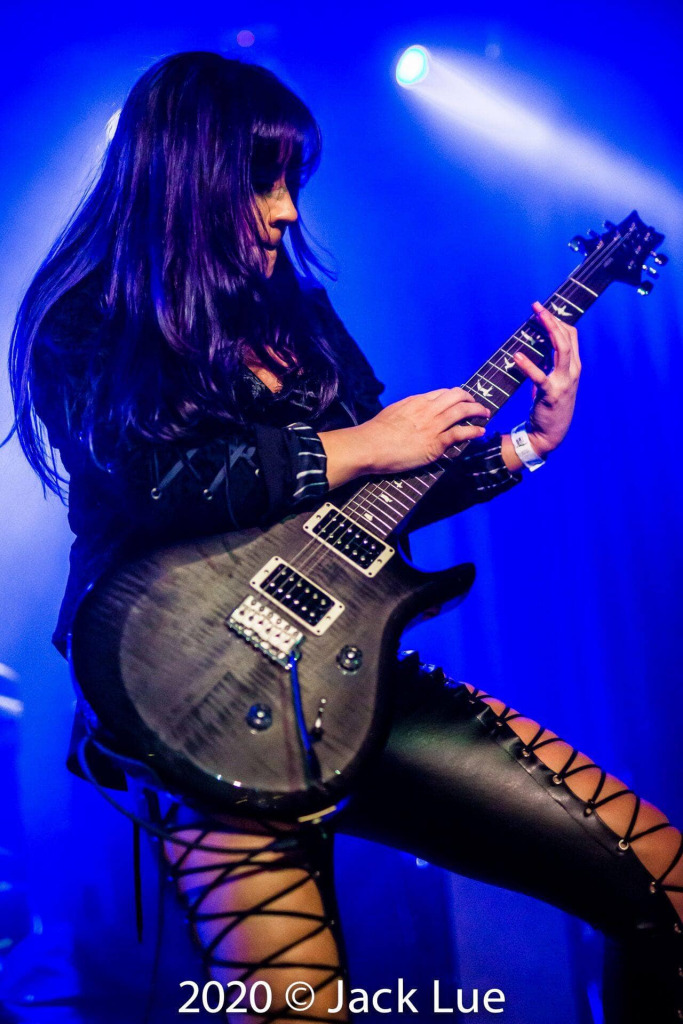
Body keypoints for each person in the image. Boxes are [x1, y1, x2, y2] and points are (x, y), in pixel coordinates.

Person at [6, 51, 683, 1023]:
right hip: (193, 699)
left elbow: (375, 499)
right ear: (186, 176)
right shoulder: (87, 317)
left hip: (354, 682)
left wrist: (525, 448)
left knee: (663, 886)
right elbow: (152, 480)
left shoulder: (300, 317)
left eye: (293, 182)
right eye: (261, 180)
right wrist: (360, 442)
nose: (286, 210)